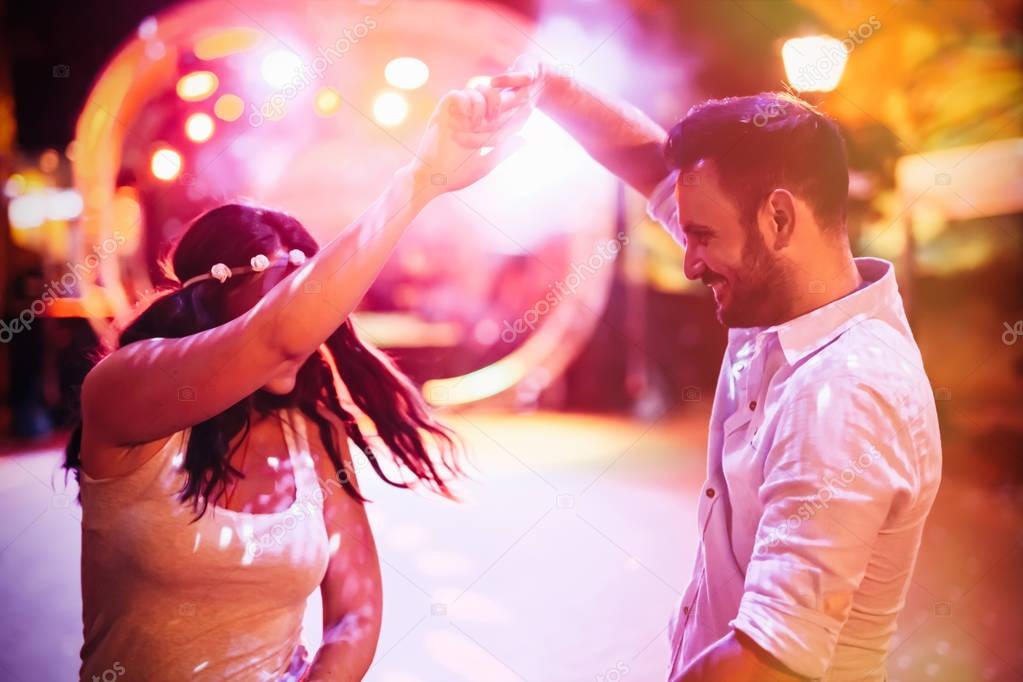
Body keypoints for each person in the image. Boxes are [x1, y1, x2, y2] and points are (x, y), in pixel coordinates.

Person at [492, 59, 942, 681]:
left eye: (702, 236)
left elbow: (769, 663)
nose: (689, 262)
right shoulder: (780, 293)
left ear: (779, 219)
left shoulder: (844, 393)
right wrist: (552, 88)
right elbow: (648, 163)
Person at [65, 86, 529, 681]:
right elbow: (278, 335)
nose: (313, 331)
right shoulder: (124, 389)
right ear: (212, 299)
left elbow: (355, 612)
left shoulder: (312, 432)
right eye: (286, 299)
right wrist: (421, 179)